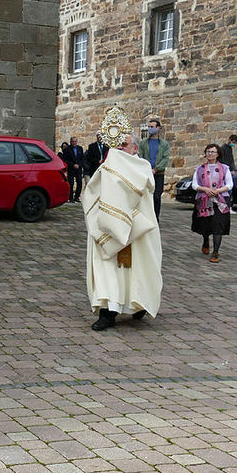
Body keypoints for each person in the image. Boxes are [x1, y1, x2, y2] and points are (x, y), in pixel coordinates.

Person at [82, 131, 162, 331]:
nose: (119, 148)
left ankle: (138, 304)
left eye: (124, 144)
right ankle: (107, 313)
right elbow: (92, 192)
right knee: (107, 270)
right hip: (109, 229)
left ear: (135, 148)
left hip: (137, 228)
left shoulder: (142, 168)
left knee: (138, 269)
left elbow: (144, 195)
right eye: (117, 144)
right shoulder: (106, 167)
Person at [191, 144, 233, 263]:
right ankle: (205, 240)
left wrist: (218, 190)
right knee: (205, 224)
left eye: (212, 152)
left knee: (217, 225)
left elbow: (229, 184)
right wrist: (205, 189)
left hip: (220, 201)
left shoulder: (225, 168)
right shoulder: (199, 169)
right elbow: (194, 185)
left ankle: (215, 252)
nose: (210, 154)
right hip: (204, 200)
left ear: (218, 154)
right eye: (208, 151)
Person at [138, 117, 171, 221]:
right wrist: (147, 169)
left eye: (152, 127)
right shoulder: (143, 143)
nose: (150, 129)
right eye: (149, 127)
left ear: (158, 128)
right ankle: (146, 218)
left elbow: (165, 159)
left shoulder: (164, 144)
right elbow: (140, 157)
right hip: (146, 174)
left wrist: (156, 169)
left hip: (158, 174)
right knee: (146, 197)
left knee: (157, 197)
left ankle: (155, 218)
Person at [63, 136, 86, 202]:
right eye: (73, 141)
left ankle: (77, 197)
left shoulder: (80, 148)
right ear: (70, 142)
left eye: (75, 141)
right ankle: (70, 198)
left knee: (79, 182)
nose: (74, 143)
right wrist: (73, 165)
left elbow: (82, 158)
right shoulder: (67, 149)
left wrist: (79, 165)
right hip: (71, 169)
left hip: (78, 169)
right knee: (71, 183)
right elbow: (66, 160)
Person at [220, 134, 237, 214]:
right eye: (233, 142)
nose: (233, 144)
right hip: (226, 172)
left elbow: (231, 160)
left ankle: (229, 206)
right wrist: (229, 170)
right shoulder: (223, 148)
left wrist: (233, 169)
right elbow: (222, 161)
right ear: (229, 139)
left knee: (230, 190)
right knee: (227, 190)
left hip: (230, 172)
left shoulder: (230, 148)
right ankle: (226, 207)